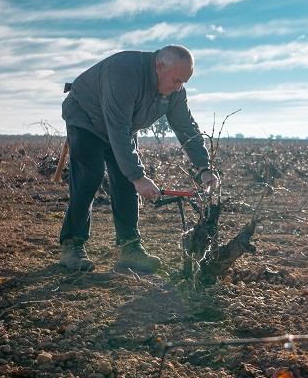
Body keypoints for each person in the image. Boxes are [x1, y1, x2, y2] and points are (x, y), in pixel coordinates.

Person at [57, 45, 219, 274]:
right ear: (159, 66)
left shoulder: (175, 92)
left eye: (184, 82)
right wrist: (138, 177)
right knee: (89, 176)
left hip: (123, 126)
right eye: (176, 80)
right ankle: (72, 245)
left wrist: (204, 168)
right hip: (86, 118)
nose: (179, 87)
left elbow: (186, 128)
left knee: (126, 183)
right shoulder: (123, 74)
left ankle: (130, 249)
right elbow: (117, 129)